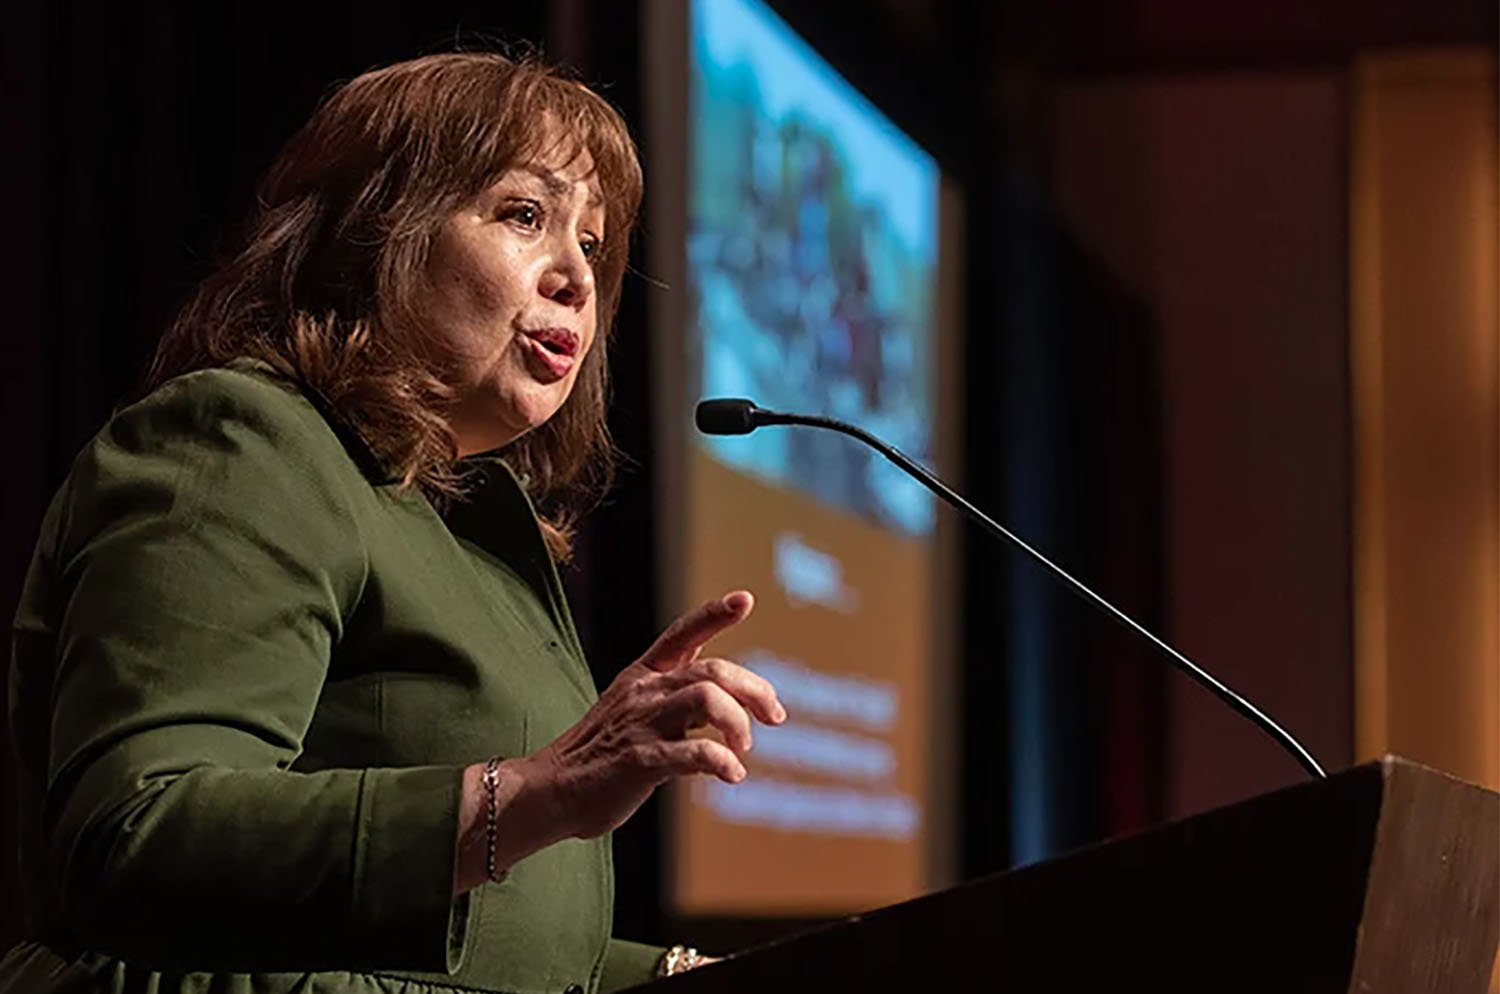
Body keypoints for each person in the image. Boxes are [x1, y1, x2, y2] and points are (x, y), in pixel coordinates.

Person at [0, 51, 785, 994]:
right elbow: (137, 835)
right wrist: (531, 793)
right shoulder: (242, 442)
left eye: (593, 240)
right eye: (525, 215)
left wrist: (685, 971)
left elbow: (504, 955)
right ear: (380, 233)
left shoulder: (479, 539)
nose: (578, 275)